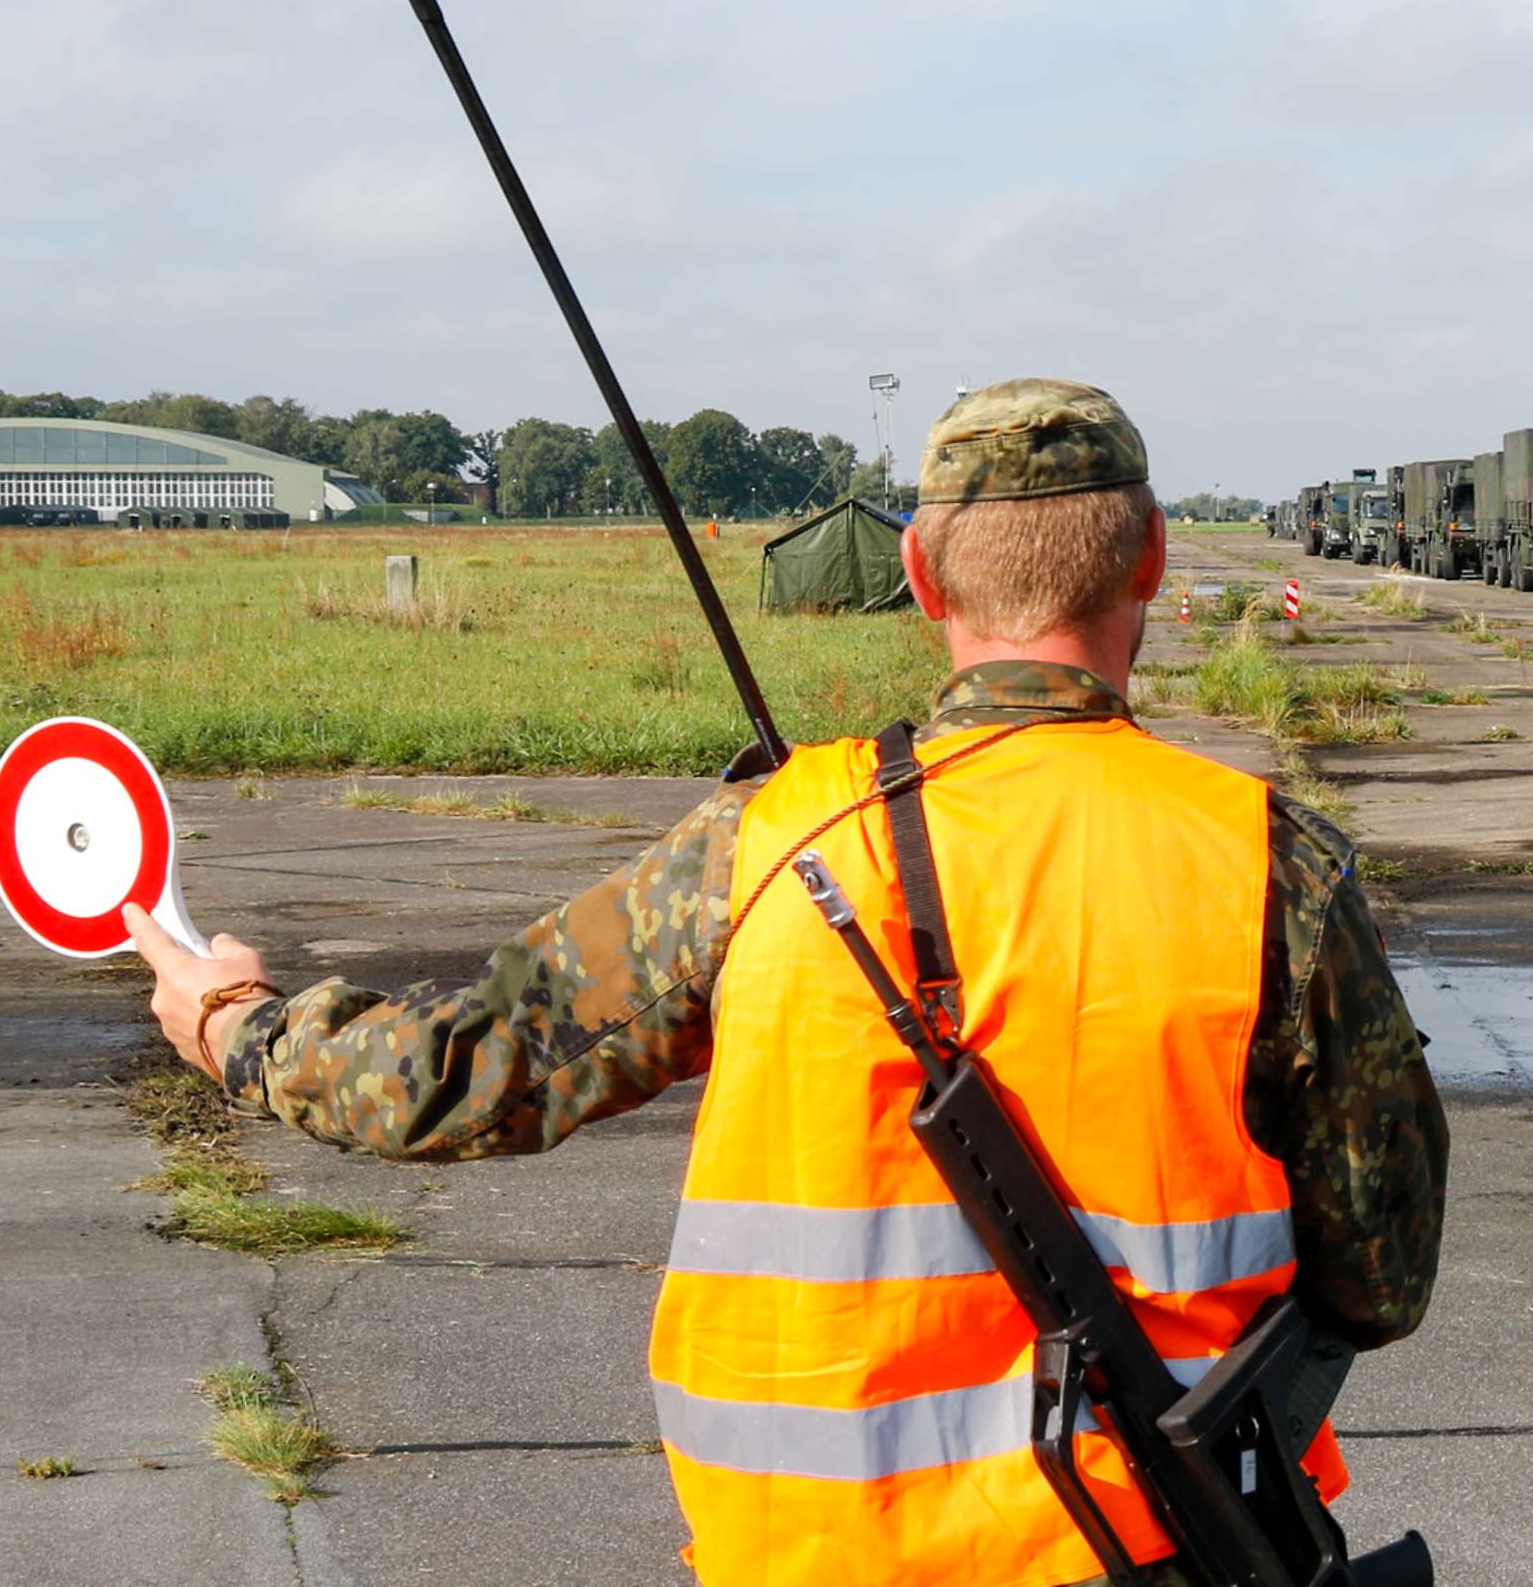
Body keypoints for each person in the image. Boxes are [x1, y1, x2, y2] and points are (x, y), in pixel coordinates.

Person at [129, 378, 1449, 1587]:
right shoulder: (1270, 867)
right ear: (1152, 556)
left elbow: (469, 1074)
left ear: (920, 578)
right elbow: (1380, 1274)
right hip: (1160, 1545)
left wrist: (239, 1027)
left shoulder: (764, 849)